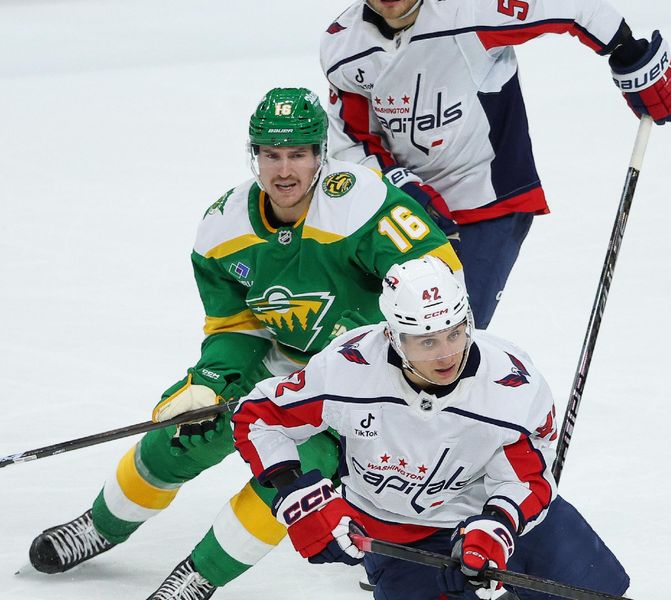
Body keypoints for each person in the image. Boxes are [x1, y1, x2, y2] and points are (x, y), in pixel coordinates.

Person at [27, 87, 461, 599]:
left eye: (298, 154)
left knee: (296, 478)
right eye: (271, 154)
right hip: (281, 365)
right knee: (183, 435)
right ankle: (99, 525)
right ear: (253, 156)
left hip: (363, 382)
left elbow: (437, 278)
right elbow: (235, 327)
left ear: (321, 155)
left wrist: (376, 352)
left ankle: (199, 576)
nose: (284, 171)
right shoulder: (223, 226)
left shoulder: (359, 204)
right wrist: (212, 381)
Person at [231, 256, 629, 600]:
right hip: (401, 532)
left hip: (497, 518)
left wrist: (498, 524)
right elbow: (259, 418)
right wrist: (300, 497)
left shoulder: (511, 387)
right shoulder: (347, 371)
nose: (447, 355)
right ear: (393, 336)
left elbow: (527, 478)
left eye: (455, 333)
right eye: (426, 342)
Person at [321, 0, 671, 329]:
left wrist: (628, 52)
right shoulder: (343, 45)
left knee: (447, 333)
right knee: (381, 331)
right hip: (406, 207)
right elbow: (354, 140)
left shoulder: (469, 11)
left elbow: (576, 8)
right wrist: (404, 189)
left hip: (490, 200)